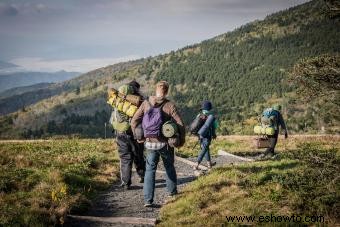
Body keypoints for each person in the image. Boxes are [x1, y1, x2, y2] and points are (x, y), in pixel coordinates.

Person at [131, 81, 185, 207]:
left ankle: (148, 200)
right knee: (169, 167)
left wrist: (138, 137)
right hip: (165, 144)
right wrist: (181, 141)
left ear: (156, 90)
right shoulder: (169, 105)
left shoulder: (146, 103)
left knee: (150, 170)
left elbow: (134, 121)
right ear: (166, 92)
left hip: (149, 143)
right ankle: (172, 193)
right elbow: (180, 124)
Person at [111, 80, 145, 190]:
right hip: (134, 133)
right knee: (138, 155)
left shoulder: (117, 101)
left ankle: (126, 182)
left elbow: (114, 118)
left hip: (120, 133)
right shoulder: (138, 101)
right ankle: (143, 175)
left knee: (125, 157)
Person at [194, 101, 218, 170]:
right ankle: (196, 164)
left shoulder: (199, 115)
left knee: (206, 149)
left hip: (200, 135)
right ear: (210, 108)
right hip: (207, 136)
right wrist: (214, 134)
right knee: (204, 149)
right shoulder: (211, 117)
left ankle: (209, 164)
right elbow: (215, 126)